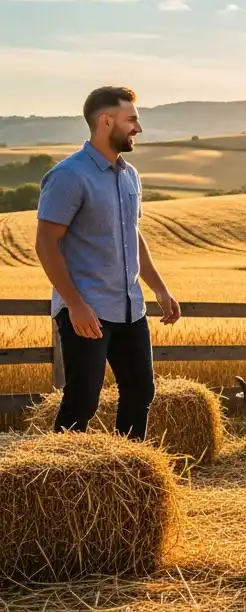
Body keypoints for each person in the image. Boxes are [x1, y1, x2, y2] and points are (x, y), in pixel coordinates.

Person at [34, 86, 180, 440]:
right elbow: (46, 245)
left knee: (141, 393)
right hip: (88, 311)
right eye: (132, 120)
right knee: (82, 401)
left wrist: (159, 288)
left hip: (130, 307)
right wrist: (76, 305)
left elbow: (133, 236)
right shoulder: (69, 176)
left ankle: (128, 477)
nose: (138, 128)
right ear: (106, 121)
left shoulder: (130, 175)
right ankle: (61, 481)